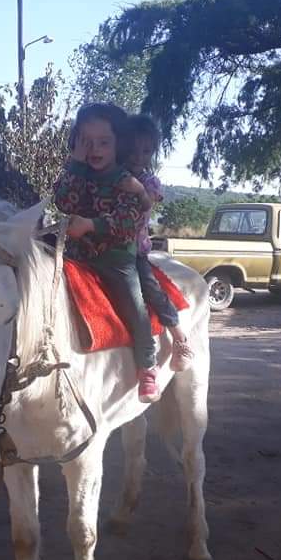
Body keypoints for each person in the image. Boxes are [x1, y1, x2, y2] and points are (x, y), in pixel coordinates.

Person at [52, 103, 160, 402]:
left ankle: (147, 366)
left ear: (119, 144)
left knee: (135, 309)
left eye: (103, 142)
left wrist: (90, 224)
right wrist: (75, 161)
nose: (94, 149)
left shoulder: (126, 180)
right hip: (76, 256)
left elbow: (128, 221)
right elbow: (63, 200)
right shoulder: (79, 173)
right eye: (87, 141)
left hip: (115, 260)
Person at [127, 114, 194, 372]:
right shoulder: (111, 175)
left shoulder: (148, 181)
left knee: (151, 289)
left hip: (133, 252)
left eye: (145, 151)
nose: (138, 156)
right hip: (101, 247)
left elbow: (150, 198)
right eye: (132, 150)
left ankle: (179, 338)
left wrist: (134, 188)